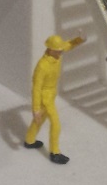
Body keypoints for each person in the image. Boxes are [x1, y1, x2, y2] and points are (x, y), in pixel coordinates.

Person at [24, 33, 86, 164]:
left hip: (52, 93)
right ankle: (55, 152)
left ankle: (29, 140)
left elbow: (68, 45)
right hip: (45, 97)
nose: (60, 52)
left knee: (39, 120)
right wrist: (35, 108)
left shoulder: (57, 55)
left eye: (60, 50)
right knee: (56, 124)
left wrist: (79, 39)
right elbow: (36, 88)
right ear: (50, 49)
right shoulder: (42, 66)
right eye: (57, 50)